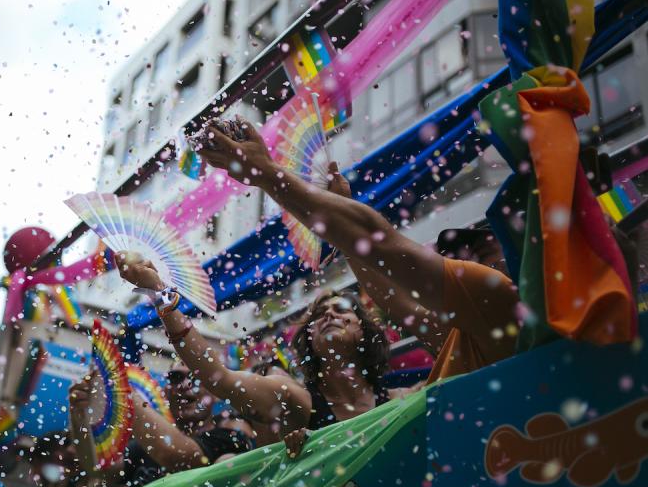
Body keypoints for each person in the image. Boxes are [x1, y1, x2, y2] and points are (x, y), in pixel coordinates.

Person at [192, 116, 520, 384]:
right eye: (456, 255)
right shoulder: (464, 332)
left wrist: (265, 171)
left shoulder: (498, 298)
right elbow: (391, 297)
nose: (461, 259)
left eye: (480, 250)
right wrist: (345, 230)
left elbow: (378, 243)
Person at [115, 252, 397, 440]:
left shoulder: (403, 401)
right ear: (308, 340)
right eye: (320, 314)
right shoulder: (295, 400)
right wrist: (159, 294)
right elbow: (219, 377)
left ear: (366, 331)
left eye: (341, 309)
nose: (329, 315)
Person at [68, 365, 255, 487]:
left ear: (215, 393)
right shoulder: (145, 446)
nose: (186, 385)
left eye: (197, 377)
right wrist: (79, 416)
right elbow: (98, 468)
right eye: (176, 377)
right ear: (166, 393)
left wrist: (121, 390)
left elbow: (177, 455)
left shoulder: (230, 440)